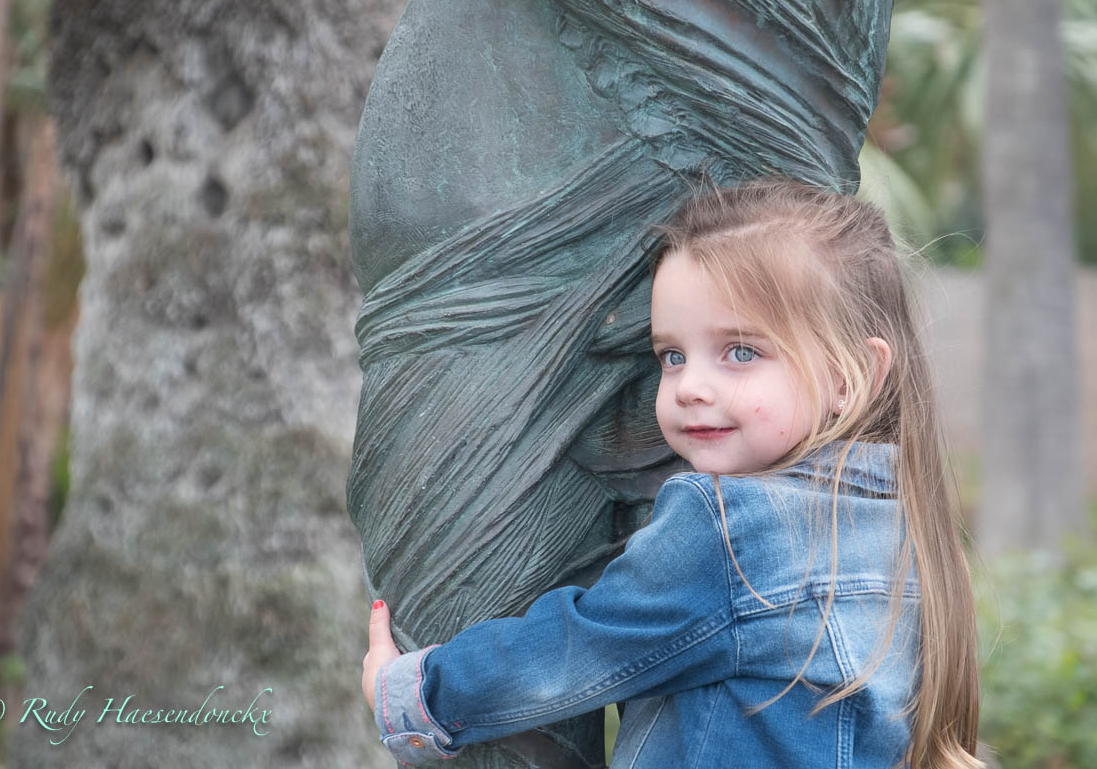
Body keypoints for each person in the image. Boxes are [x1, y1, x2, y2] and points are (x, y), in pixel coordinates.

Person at [361, 178, 984, 769]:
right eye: (673, 355)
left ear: (850, 378)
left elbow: (576, 649)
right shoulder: (899, 526)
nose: (690, 387)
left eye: (741, 352)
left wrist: (412, 693)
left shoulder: (731, 529)